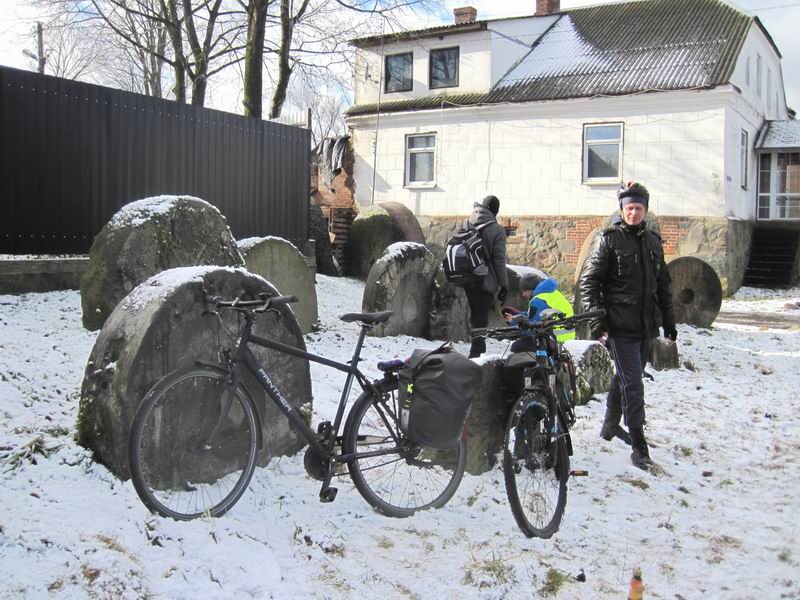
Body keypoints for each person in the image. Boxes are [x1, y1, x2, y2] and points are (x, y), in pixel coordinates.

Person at [578, 181, 676, 471]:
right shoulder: (608, 239)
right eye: (629, 208)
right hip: (619, 327)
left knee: (625, 377)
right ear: (622, 210)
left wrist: (669, 323)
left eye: (639, 208)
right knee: (634, 384)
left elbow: (663, 285)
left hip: (646, 326)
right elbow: (589, 281)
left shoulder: (653, 242)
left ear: (646, 210)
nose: (634, 213)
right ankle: (638, 444)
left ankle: (609, 424)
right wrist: (598, 322)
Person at [462, 195, 508, 358]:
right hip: (485, 277)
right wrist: (504, 284)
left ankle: (477, 348)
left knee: (475, 313)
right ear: (495, 210)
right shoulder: (496, 230)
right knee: (481, 315)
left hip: (467, 276)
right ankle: (477, 351)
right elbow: (499, 260)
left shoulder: (468, 222)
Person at [502, 275, 575, 352]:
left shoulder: (538, 301)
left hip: (555, 343)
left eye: (524, 291)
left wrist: (514, 321)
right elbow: (537, 316)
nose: (523, 295)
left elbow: (533, 329)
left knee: (517, 347)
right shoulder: (551, 294)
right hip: (566, 340)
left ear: (531, 289)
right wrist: (517, 314)